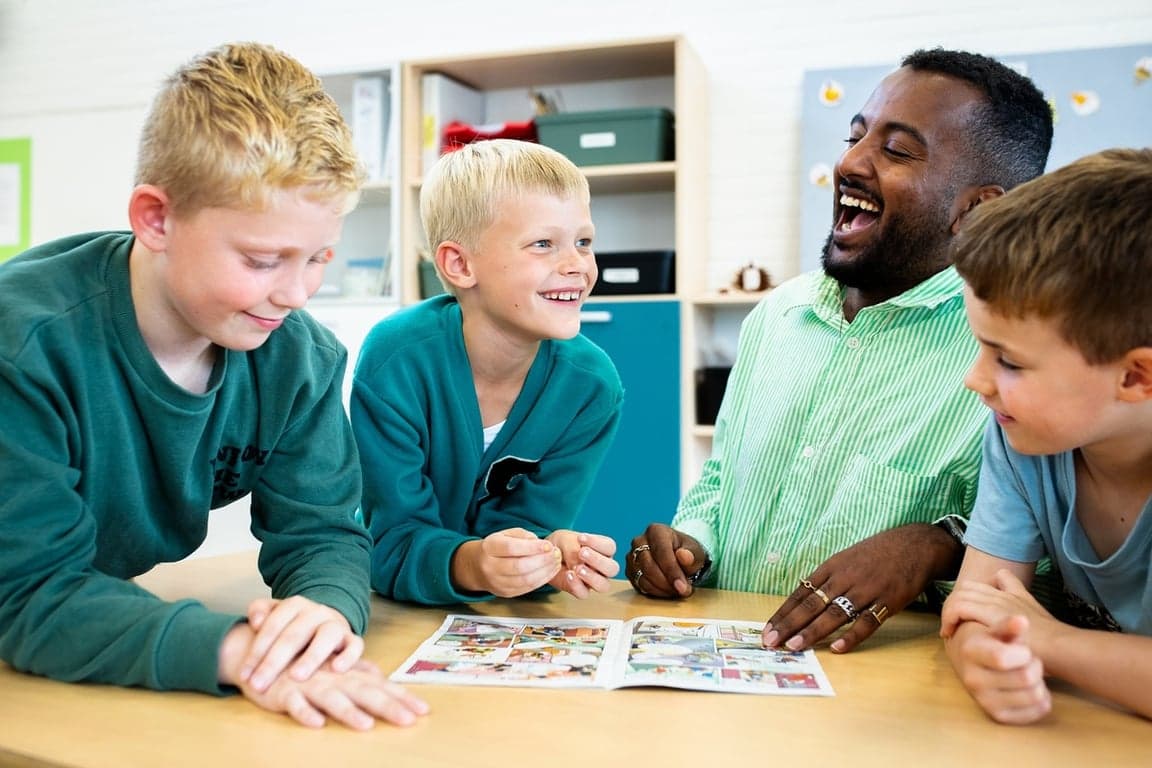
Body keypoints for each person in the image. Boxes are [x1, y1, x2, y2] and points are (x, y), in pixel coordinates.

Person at [0, 42, 428, 730]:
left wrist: (319, 614)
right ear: (156, 219)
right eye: (263, 260)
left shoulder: (298, 358)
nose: (295, 293)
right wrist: (242, 652)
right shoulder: (23, 345)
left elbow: (323, 532)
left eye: (319, 257)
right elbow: (27, 595)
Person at [625, 48, 1054, 653]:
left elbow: (1057, 564)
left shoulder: (1015, 354)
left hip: (890, 695)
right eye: (856, 136)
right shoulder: (779, 315)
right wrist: (690, 545)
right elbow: (722, 481)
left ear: (981, 210)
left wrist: (936, 545)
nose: (850, 163)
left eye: (898, 151)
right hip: (734, 660)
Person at [351, 139, 624, 605]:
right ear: (459, 265)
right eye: (543, 244)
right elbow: (387, 542)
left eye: (583, 242)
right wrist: (473, 563)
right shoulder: (397, 360)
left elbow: (531, 527)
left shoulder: (592, 386)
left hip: (491, 625)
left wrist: (544, 556)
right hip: (388, 610)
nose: (577, 265)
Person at [940, 148, 1152, 724]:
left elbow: (1025, 625)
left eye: (1008, 360)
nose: (975, 380)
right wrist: (983, 654)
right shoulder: (1019, 438)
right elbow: (976, 608)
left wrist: (1052, 643)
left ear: (1135, 376)